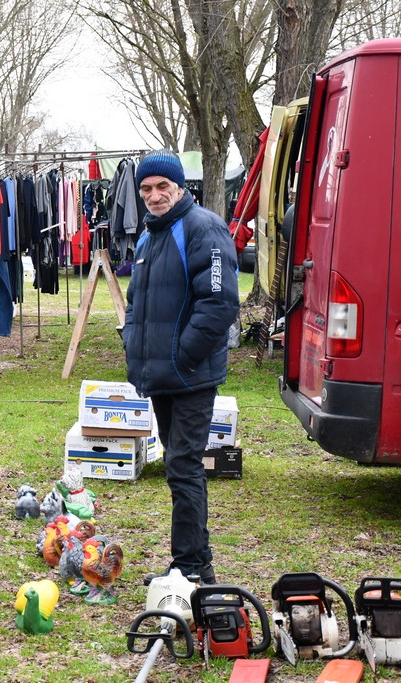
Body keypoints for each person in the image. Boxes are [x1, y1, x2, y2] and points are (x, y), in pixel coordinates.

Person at [121, 150, 239, 586]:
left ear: (180, 187)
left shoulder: (203, 228)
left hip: (190, 376)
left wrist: (184, 355)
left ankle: (190, 567)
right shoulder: (149, 236)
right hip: (162, 377)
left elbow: (219, 302)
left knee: (184, 467)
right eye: (146, 189)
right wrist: (131, 342)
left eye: (162, 187)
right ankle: (195, 563)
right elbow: (136, 303)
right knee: (178, 464)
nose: (154, 196)